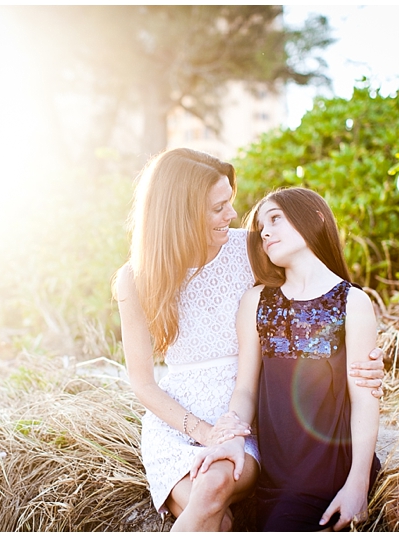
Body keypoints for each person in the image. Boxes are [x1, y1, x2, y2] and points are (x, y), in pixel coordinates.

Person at [113, 149, 384, 532]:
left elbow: (314, 294)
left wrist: (362, 355)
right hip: (178, 422)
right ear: (182, 213)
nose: (233, 216)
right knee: (214, 515)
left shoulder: (250, 248)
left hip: (243, 413)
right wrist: (204, 432)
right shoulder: (135, 278)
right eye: (219, 207)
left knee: (213, 488)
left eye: (230, 203)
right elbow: (142, 382)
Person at [191, 186, 381, 531]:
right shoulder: (257, 301)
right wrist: (232, 437)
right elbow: (245, 388)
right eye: (262, 225)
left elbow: (365, 399)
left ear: (316, 220)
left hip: (329, 472)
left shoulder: (353, 302)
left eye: (276, 218)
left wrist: (358, 485)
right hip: (274, 474)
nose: (265, 231)